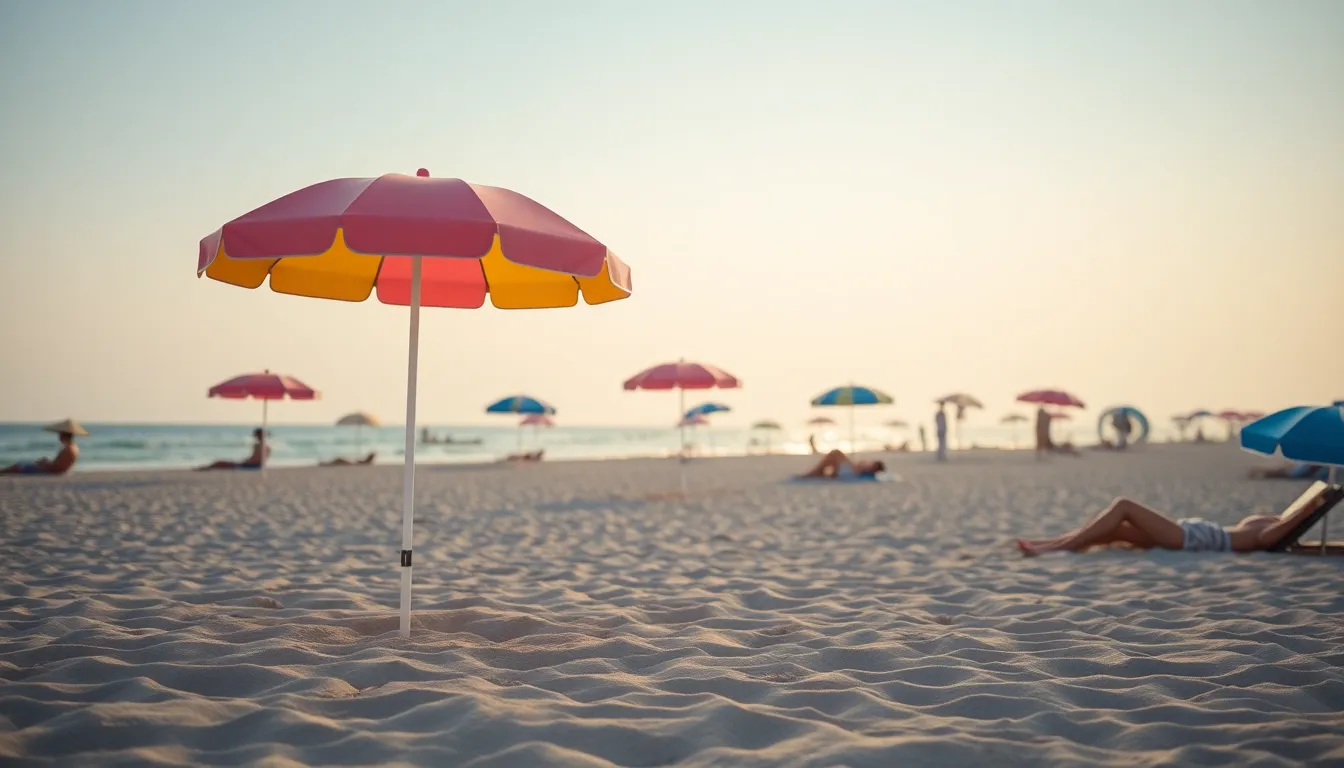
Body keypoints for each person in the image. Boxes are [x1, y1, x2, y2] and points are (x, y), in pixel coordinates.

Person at [1016, 491, 1330, 556]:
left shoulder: (1271, 531)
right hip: (1186, 532)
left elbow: (1268, 539)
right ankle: (1052, 544)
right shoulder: (1277, 521)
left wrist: (1304, 513)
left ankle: (1056, 548)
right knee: (1111, 528)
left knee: (1124, 505)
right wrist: (1303, 508)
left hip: (1187, 538)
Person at [2, 419, 85, 475]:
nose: (58, 436)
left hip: (51, 472)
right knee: (26, 463)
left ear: (63, 435)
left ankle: (2, 472)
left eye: (60, 434)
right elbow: (60, 464)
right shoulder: (73, 447)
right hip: (55, 470)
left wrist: (43, 465)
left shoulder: (68, 449)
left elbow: (56, 468)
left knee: (21, 465)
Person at [197, 428, 269, 471]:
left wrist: (245, 462)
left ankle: (208, 467)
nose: (255, 437)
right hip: (252, 464)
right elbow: (257, 458)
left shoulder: (260, 446)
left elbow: (256, 460)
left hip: (252, 466)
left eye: (256, 435)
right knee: (221, 463)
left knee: (221, 463)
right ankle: (208, 467)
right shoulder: (264, 446)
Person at [796, 449, 886, 480]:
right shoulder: (868, 468)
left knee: (835, 454)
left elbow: (857, 471)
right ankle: (817, 472)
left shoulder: (869, 470)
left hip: (849, 472)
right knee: (834, 455)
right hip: (849, 470)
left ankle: (816, 473)